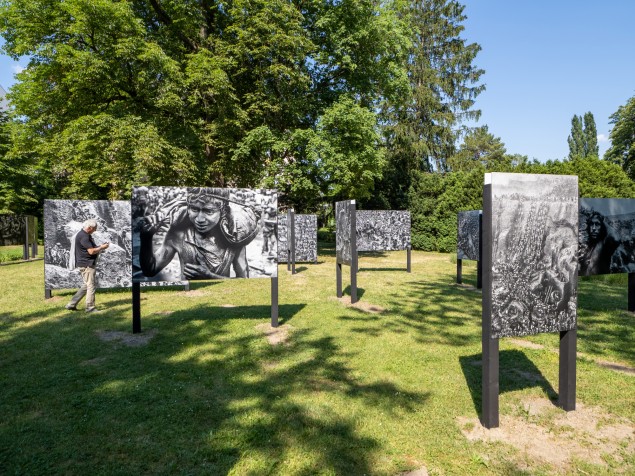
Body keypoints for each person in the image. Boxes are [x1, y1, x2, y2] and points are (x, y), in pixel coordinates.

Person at [137, 188, 260, 280]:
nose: (200, 219)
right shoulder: (178, 234)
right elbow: (150, 270)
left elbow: (244, 280)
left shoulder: (234, 237)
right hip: (187, 300)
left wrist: (210, 276)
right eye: (194, 209)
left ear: (223, 211)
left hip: (222, 299)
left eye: (209, 211)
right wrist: (146, 238)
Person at [65, 219, 110, 312]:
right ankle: (90, 308)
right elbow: (91, 251)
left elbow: (90, 248)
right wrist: (101, 247)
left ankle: (71, 304)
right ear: (89, 227)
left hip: (84, 263)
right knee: (91, 286)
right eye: (94, 229)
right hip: (87, 264)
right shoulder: (84, 236)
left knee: (86, 285)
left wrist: (99, 247)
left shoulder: (82, 234)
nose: (95, 231)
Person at [579, 212, 620, 276]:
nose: (594, 228)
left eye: (597, 224)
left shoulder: (604, 243)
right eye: (591, 224)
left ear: (602, 226)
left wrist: (603, 222)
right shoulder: (589, 245)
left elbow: (616, 238)